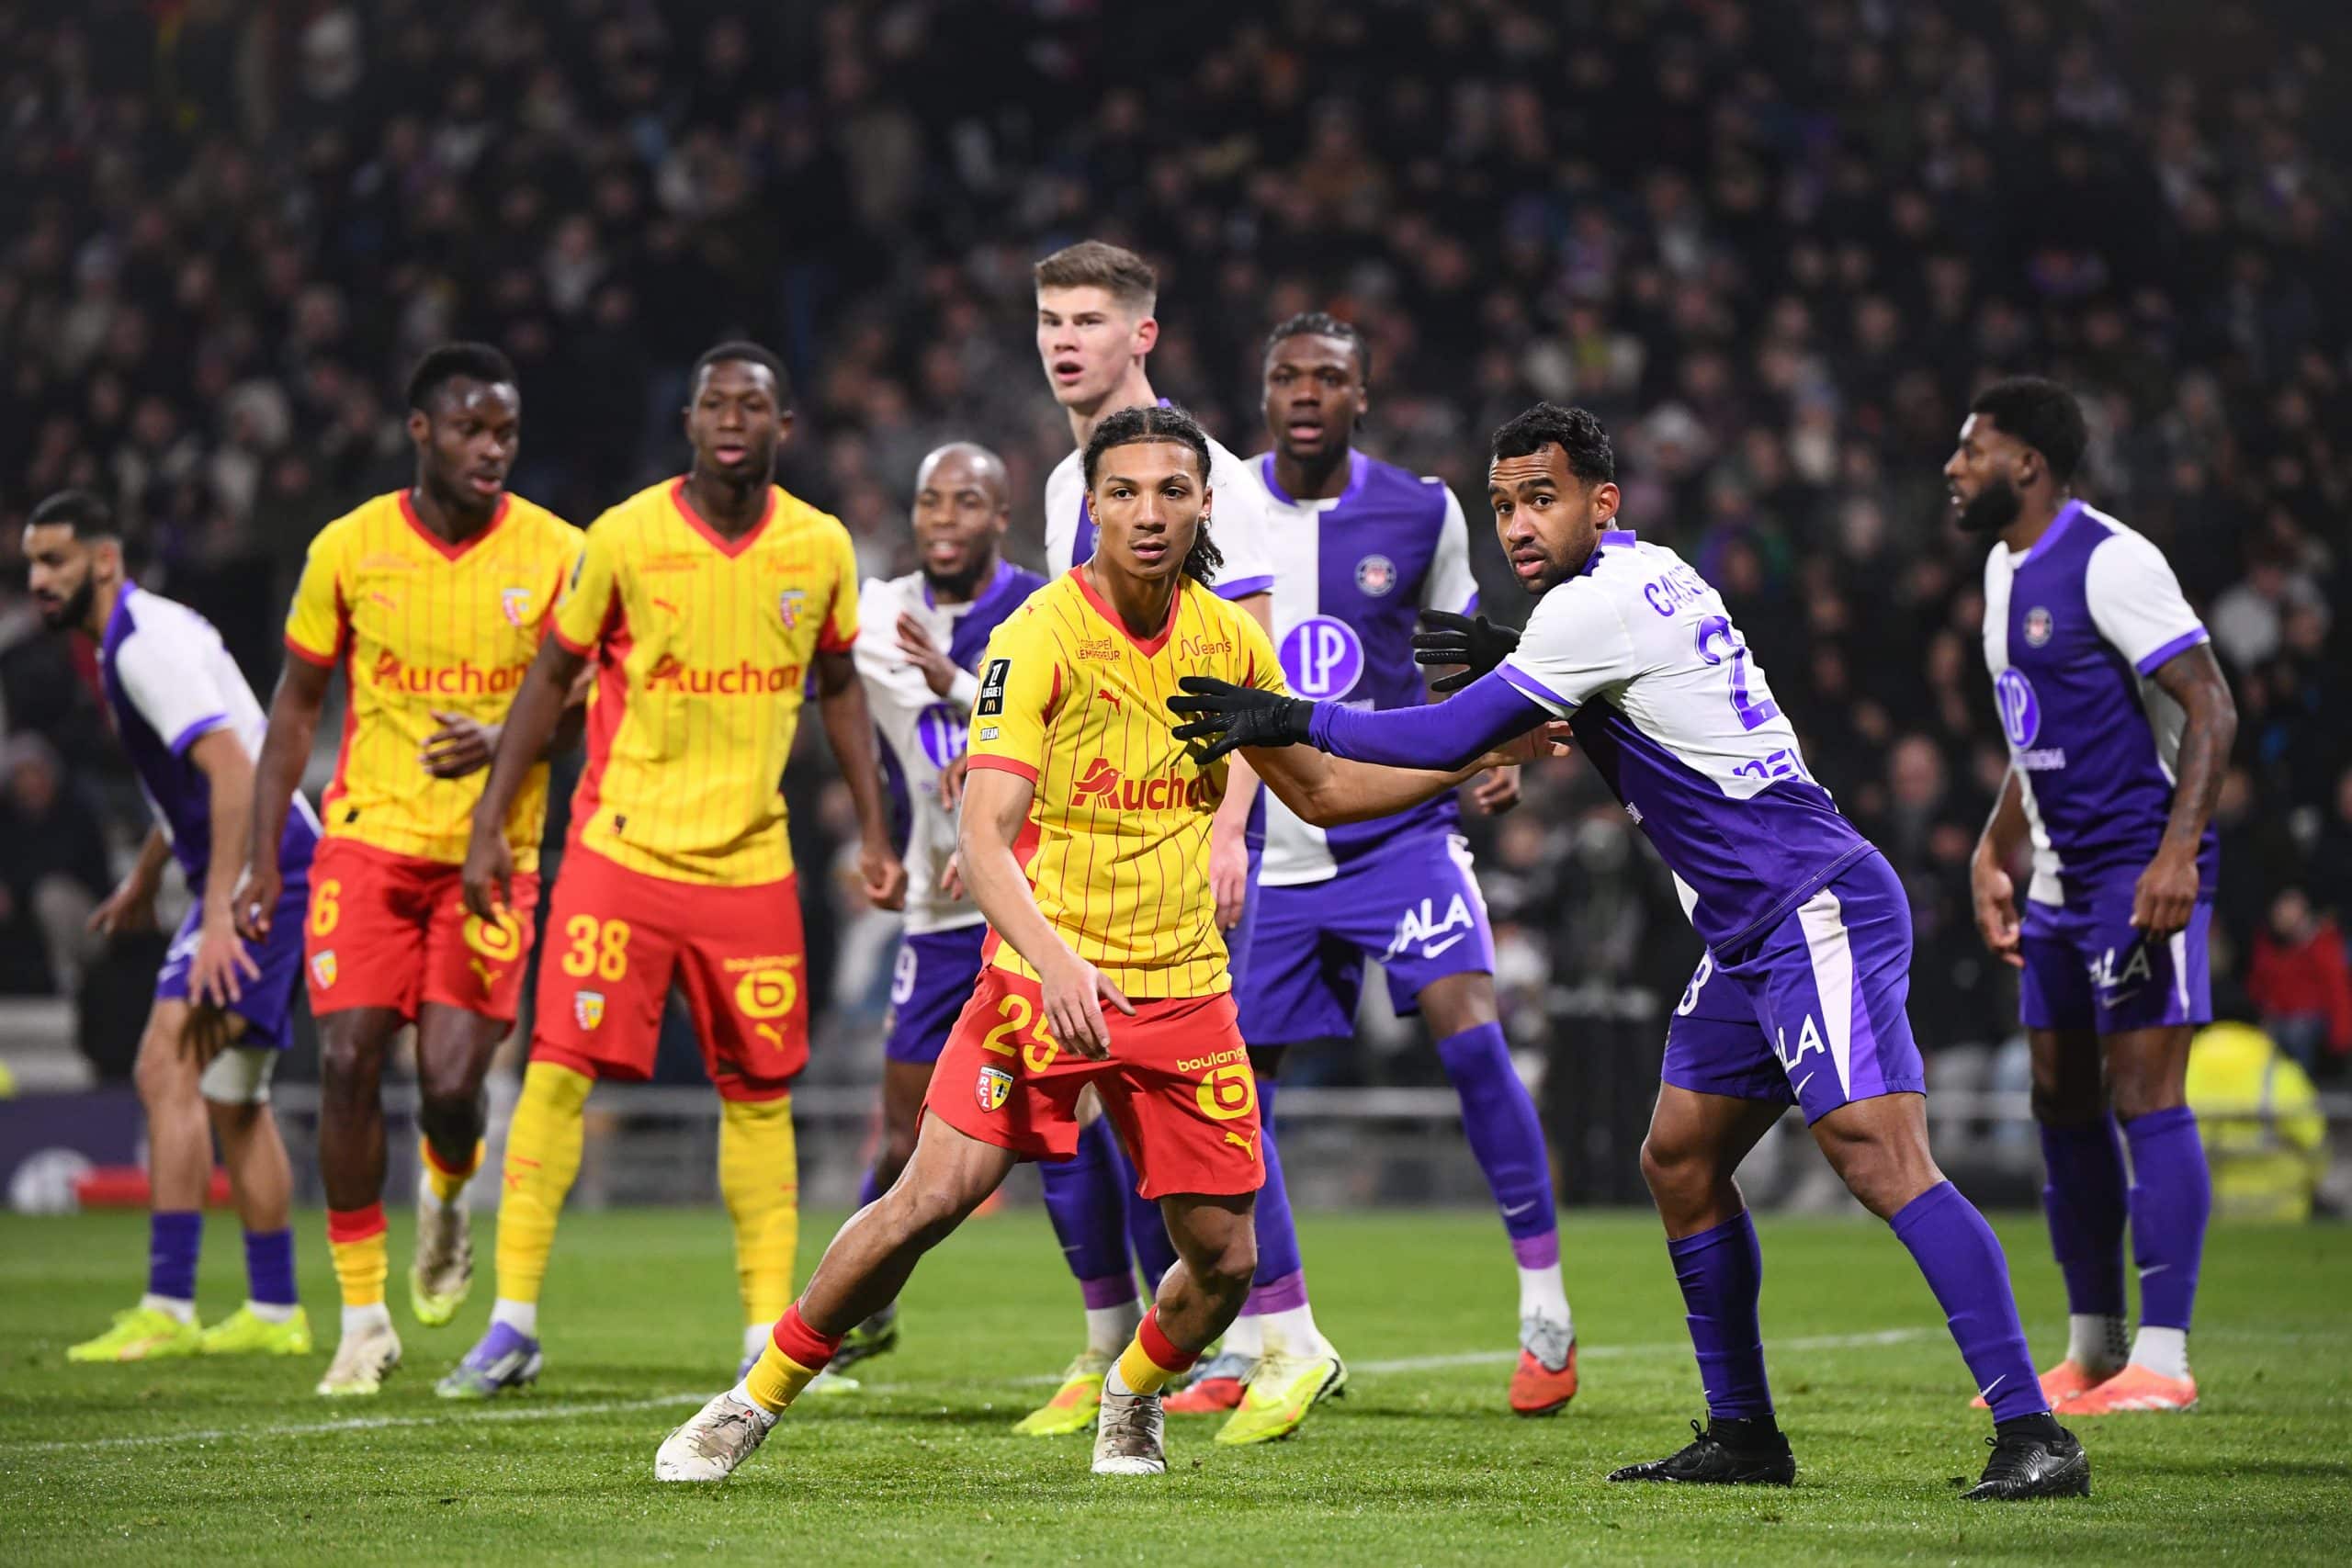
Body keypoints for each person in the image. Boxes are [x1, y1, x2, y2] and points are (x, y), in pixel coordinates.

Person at [1168, 402, 2090, 1501]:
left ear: (1602, 502)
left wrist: (1290, 715)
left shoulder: (1587, 608)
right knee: (1680, 1162)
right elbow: (1628, 695)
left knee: (1881, 1159)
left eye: (1541, 499)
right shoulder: (1648, 573)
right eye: (1502, 505)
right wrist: (1515, 661)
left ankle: (2033, 1433)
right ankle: (1743, 1436)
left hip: (1809, 901)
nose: (1517, 524)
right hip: (1748, 926)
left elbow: (1446, 735)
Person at [653, 403, 1519, 1483]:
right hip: (1040, 978)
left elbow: (1327, 790)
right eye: (1124, 492)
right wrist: (1056, 961)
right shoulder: (1038, 637)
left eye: (1170, 491)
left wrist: (1472, 752)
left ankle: (1131, 1393)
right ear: (1092, 509)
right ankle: (750, 1403)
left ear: (1204, 505)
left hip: (1182, 989)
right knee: (927, 1200)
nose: (1147, 513)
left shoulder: (1229, 644)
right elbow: (982, 834)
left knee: (1226, 1263)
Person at [440, 342, 906, 1398]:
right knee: (557, 1072)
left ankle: (763, 1334)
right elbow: (550, 679)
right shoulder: (624, 535)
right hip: (622, 854)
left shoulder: (819, 546)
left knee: (761, 1095)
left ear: (784, 426)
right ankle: (511, 1324)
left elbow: (839, 688)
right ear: (689, 422)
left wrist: (875, 834)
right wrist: (490, 822)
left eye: (753, 404)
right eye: (714, 404)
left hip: (750, 864)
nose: (733, 419)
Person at [1190, 312, 1576, 1427]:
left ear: (1362, 395)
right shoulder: (1220, 506)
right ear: (1264, 392)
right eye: (1287, 376)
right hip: (1270, 851)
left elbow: (1454, 653)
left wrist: (1486, 753)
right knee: (1234, 1096)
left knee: (1472, 1034)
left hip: (1397, 834)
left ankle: (1545, 1315)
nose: (1306, 393)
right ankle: (1267, 1334)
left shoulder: (1421, 509)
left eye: (1329, 377)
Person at [1022, 239, 1328, 1441]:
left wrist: (1230, 830)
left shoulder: (1202, 478)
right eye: (1051, 319)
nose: (1065, 341)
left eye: (1089, 319)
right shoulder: (1071, 480)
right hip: (1098, 848)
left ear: (1141, 334)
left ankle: (1287, 1337)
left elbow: (1246, 671)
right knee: (1125, 1100)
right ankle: (1188, 1340)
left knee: (1207, 1089)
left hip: (1197, 839)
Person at [242, 344, 582, 1397]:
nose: (493, 450)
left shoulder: (559, 552)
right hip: (367, 842)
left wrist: (508, 736)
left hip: (492, 856)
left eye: (506, 433)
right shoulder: (348, 548)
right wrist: (261, 860)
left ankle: (444, 1192)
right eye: (472, 430)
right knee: (346, 1060)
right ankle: (362, 1321)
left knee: (449, 1085)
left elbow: (594, 702)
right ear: (421, 431)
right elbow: (296, 707)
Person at [1953, 377, 2237, 1416]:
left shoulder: (2112, 561)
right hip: (2059, 879)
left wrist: (2177, 855)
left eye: (1973, 449)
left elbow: (2212, 707)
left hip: (2137, 869)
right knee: (2060, 1099)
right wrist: (1996, 848)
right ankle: (2092, 1349)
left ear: (2027, 464)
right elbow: (2034, 728)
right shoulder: (2002, 567)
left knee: (2144, 1096)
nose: (1953, 467)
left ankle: (2163, 1358)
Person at [28, 491, 315, 1363]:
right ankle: (276, 1311)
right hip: (272, 860)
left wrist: (221, 911)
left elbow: (231, 770)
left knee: (165, 1065)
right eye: (32, 562)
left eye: (55, 560)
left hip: (265, 869)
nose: (38, 578)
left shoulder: (141, 646)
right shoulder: (142, 635)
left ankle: (169, 1303)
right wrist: (148, 873)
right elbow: (198, 775)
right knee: (233, 1095)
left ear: (104, 559)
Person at [826, 441, 1047, 1383]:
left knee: (1084, 1131)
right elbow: (839, 695)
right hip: (933, 907)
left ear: (1001, 516)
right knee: (903, 1135)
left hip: (1037, 905)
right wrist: (874, 834)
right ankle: (859, 1304)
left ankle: (1121, 1325)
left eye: (967, 501)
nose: (945, 519)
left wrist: (966, 700)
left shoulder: (1043, 610)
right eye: (931, 502)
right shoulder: (879, 614)